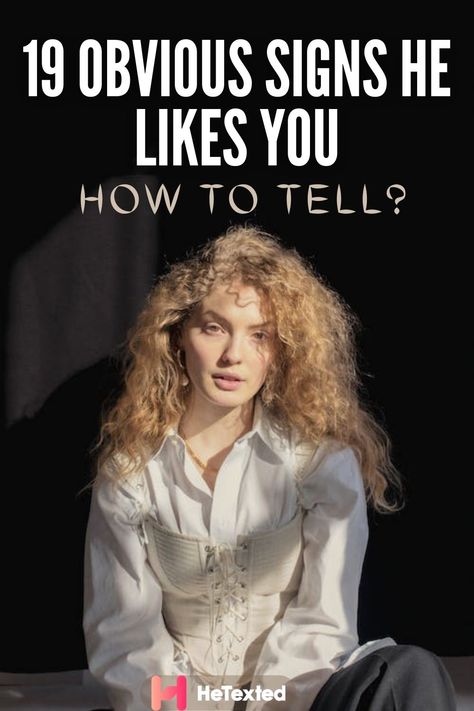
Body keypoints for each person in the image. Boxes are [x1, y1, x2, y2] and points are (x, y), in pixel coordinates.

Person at [82, 225, 457, 711]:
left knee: (411, 671)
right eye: (214, 327)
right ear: (178, 337)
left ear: (280, 351)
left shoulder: (322, 462)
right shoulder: (131, 471)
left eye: (259, 335)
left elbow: (324, 622)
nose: (233, 355)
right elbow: (125, 640)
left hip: (298, 698)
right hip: (173, 707)